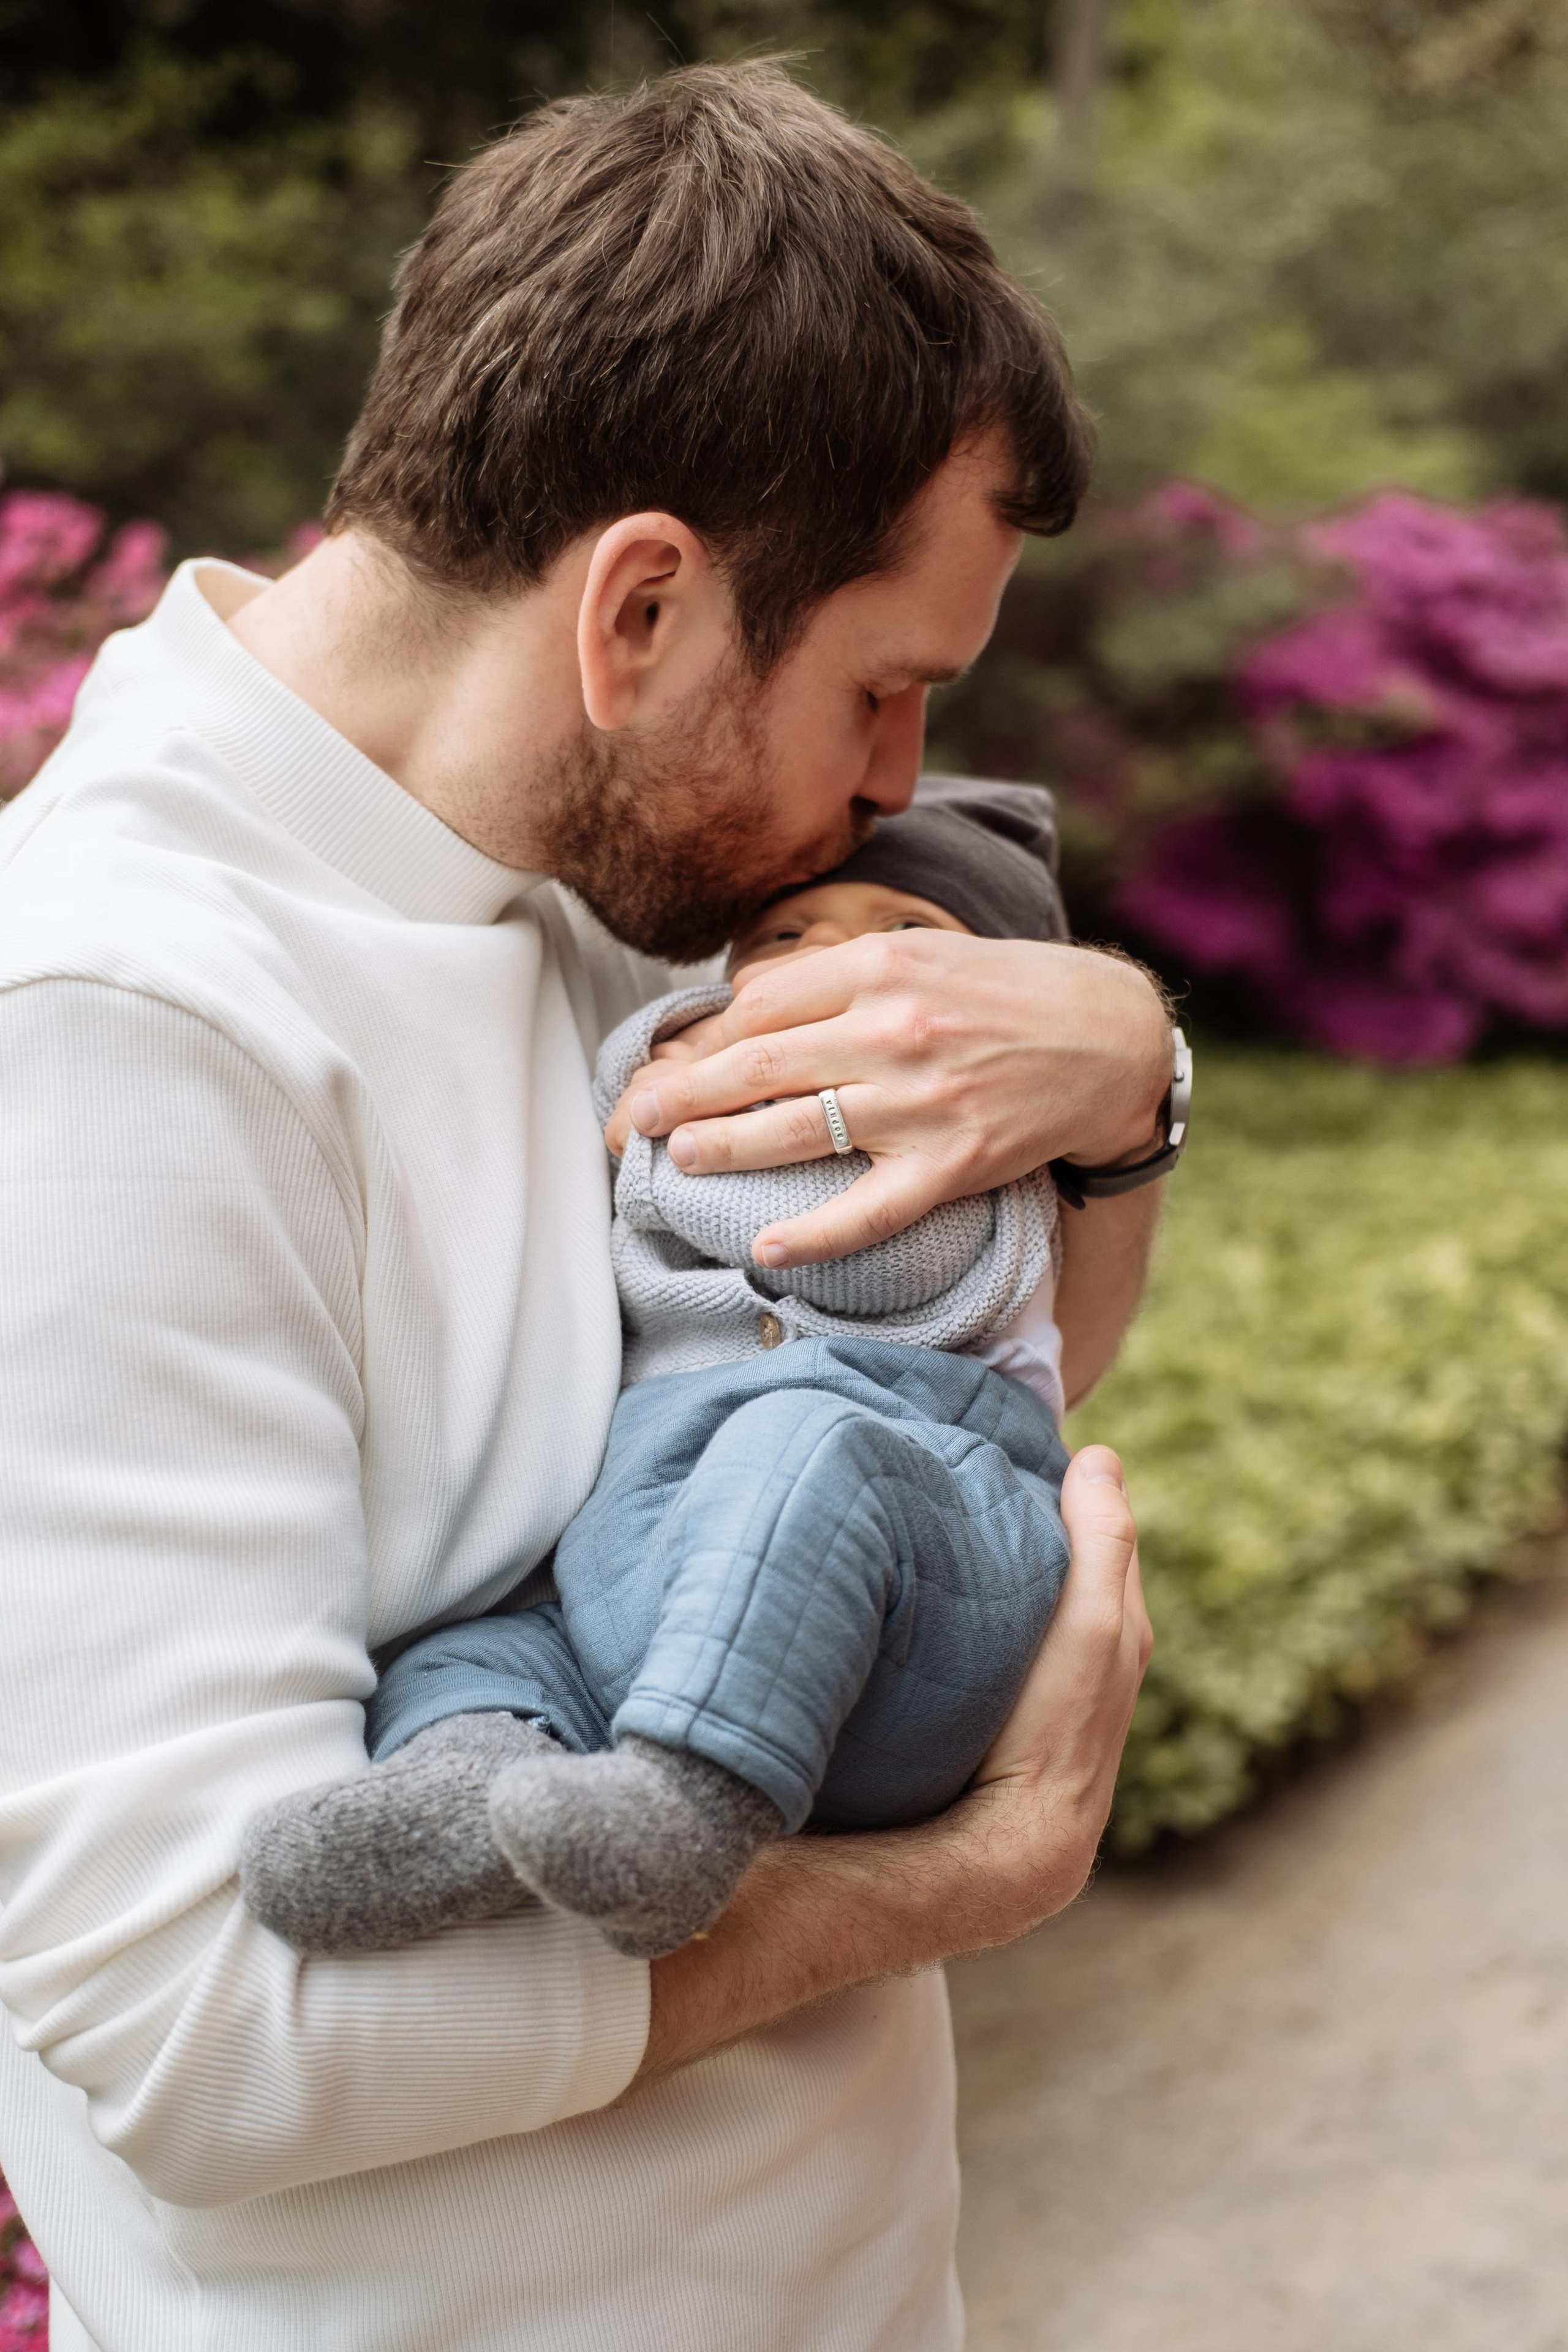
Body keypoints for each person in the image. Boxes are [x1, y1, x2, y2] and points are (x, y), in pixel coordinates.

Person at [0, 62, 1163, 2352]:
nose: (905, 786)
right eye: (883, 688)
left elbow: (972, 1358)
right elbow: (193, 2038)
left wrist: (1125, 1066)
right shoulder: (111, 1033)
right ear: (638, 608)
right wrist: (959, 1877)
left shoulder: (598, 854)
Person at [239, 778, 1108, 1963]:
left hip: (922, 1551)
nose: (842, 962)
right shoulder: (676, 1075)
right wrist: (664, 1067)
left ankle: (687, 1811)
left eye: (911, 939)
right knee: (484, 1638)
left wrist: (690, 1096)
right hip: (677, 1541)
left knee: (803, 1451)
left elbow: (870, 1264)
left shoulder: (979, 1151)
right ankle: (474, 1783)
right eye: (787, 938)